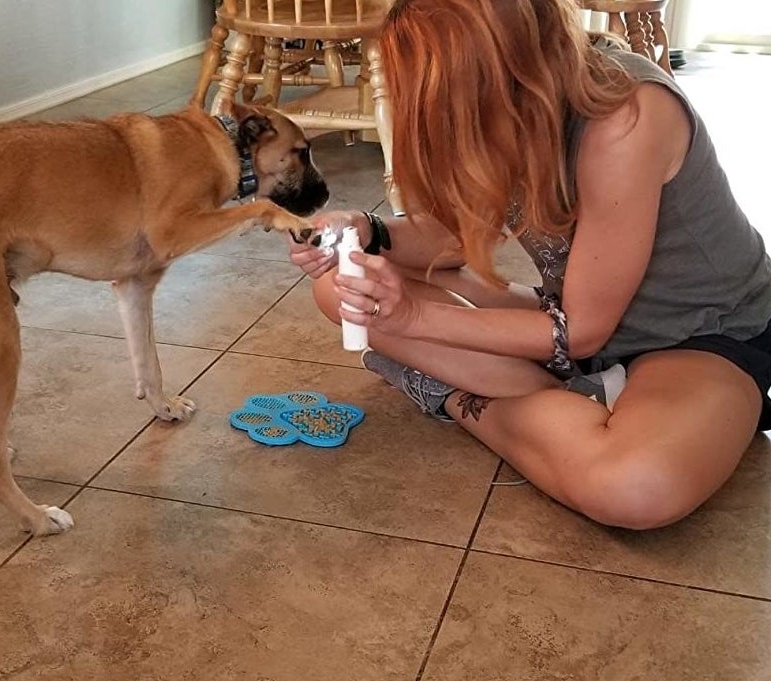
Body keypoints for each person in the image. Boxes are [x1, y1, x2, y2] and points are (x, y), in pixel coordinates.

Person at [287, 0, 771, 530]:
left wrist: (412, 321)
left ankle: (456, 396)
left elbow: (581, 332)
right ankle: (563, 408)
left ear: (504, 68)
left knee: (634, 488)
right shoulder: (511, 105)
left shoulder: (626, 115)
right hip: (573, 314)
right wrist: (366, 230)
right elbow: (449, 242)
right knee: (340, 288)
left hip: (699, 334)